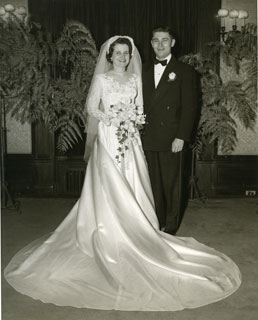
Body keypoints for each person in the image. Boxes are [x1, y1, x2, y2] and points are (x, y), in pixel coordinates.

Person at [4, 35, 241, 311]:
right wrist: (112, 118)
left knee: (134, 181)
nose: (122, 57)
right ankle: (105, 232)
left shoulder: (134, 79)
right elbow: (92, 107)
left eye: (126, 53)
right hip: (108, 136)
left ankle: (138, 228)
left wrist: (133, 119)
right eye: (117, 53)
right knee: (110, 183)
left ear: (131, 56)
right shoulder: (102, 80)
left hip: (130, 138)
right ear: (109, 56)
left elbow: (141, 108)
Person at [142, 26, 198, 235]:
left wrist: (181, 136)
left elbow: (190, 107)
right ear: (151, 43)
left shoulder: (185, 71)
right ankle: (157, 221)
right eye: (156, 40)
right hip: (148, 136)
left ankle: (171, 227)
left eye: (164, 40)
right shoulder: (143, 69)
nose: (160, 44)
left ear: (172, 43)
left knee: (172, 184)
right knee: (153, 183)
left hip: (172, 137)